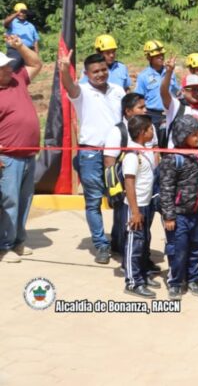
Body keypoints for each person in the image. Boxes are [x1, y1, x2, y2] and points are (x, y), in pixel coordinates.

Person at [61, 49, 126, 264]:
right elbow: (69, 86)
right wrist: (63, 69)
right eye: (95, 71)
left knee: (119, 198)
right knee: (93, 201)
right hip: (90, 153)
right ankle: (101, 245)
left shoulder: (118, 90)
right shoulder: (82, 91)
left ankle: (119, 241)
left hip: (116, 153)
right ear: (87, 74)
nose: (100, 74)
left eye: (103, 69)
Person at [0, 36, 43, 263]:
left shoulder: (18, 80)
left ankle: (18, 242)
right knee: (9, 201)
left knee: (25, 200)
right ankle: (4, 246)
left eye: (8, 64)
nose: (9, 68)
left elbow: (36, 64)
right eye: (4, 67)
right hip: (7, 158)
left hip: (28, 155)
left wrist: (20, 47)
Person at [158, 114, 198, 298]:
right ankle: (175, 282)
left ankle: (193, 279)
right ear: (182, 135)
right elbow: (166, 189)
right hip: (178, 215)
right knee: (178, 249)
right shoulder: (172, 158)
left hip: (195, 212)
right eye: (194, 134)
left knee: (196, 247)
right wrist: (169, 216)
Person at [103, 92, 148, 257]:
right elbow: (109, 162)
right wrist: (115, 190)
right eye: (140, 107)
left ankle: (137, 252)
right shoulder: (118, 132)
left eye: (145, 106)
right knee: (123, 220)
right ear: (128, 111)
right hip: (124, 185)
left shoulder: (147, 127)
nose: (145, 110)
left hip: (143, 185)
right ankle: (124, 254)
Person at [121, 115, 158, 298]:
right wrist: (135, 211)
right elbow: (129, 183)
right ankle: (132, 282)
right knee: (134, 244)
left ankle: (142, 275)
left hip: (147, 204)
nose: (153, 132)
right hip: (136, 207)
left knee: (143, 243)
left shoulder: (144, 150)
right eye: (150, 129)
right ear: (142, 132)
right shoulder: (132, 155)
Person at [160, 59, 198, 149]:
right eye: (193, 89)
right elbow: (164, 92)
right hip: (177, 160)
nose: (197, 93)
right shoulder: (176, 106)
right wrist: (169, 72)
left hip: (196, 160)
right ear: (183, 91)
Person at [134, 40, 179, 128]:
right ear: (149, 58)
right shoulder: (143, 76)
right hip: (153, 116)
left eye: (162, 55)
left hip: (170, 113)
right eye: (157, 56)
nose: (161, 57)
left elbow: (176, 91)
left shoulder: (170, 72)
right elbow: (138, 98)